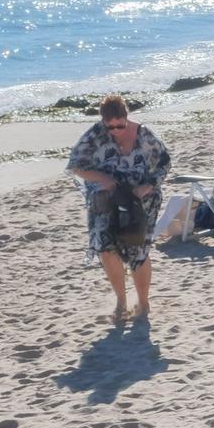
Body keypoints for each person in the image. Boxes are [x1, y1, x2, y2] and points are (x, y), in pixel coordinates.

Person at [67, 94, 171, 322]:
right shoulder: (95, 135)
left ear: (126, 117)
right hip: (106, 199)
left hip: (140, 199)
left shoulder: (144, 134)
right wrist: (102, 179)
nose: (115, 130)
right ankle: (121, 302)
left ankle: (143, 302)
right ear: (103, 121)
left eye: (120, 125)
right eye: (110, 126)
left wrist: (148, 185)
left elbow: (165, 162)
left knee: (137, 250)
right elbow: (75, 165)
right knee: (106, 248)